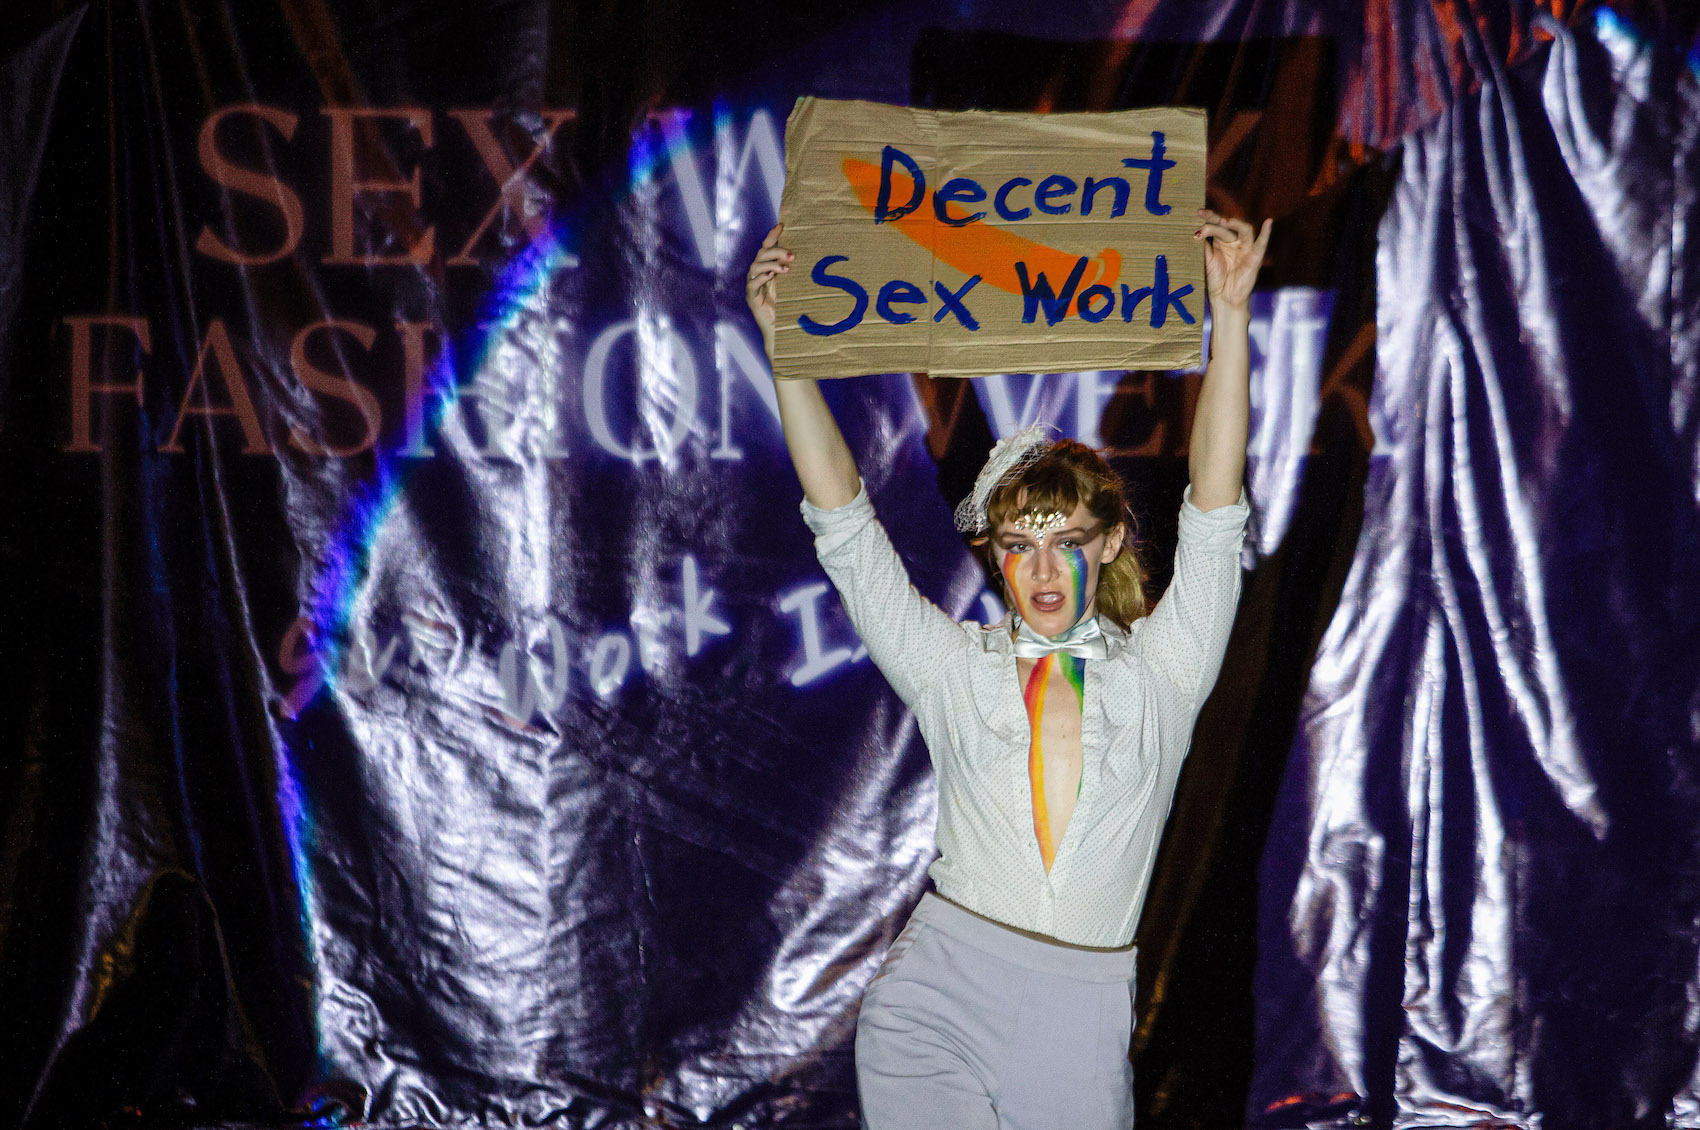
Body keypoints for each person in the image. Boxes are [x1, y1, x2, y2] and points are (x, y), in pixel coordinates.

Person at [745, 209, 1270, 1130]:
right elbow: (845, 525)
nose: (1040, 568)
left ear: (1107, 544)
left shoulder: (1163, 672)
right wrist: (784, 348)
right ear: (993, 555)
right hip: (936, 1001)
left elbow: (1216, 508)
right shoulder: (958, 669)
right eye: (1019, 544)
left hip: (1084, 1014)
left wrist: (1229, 319)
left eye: (1066, 541)